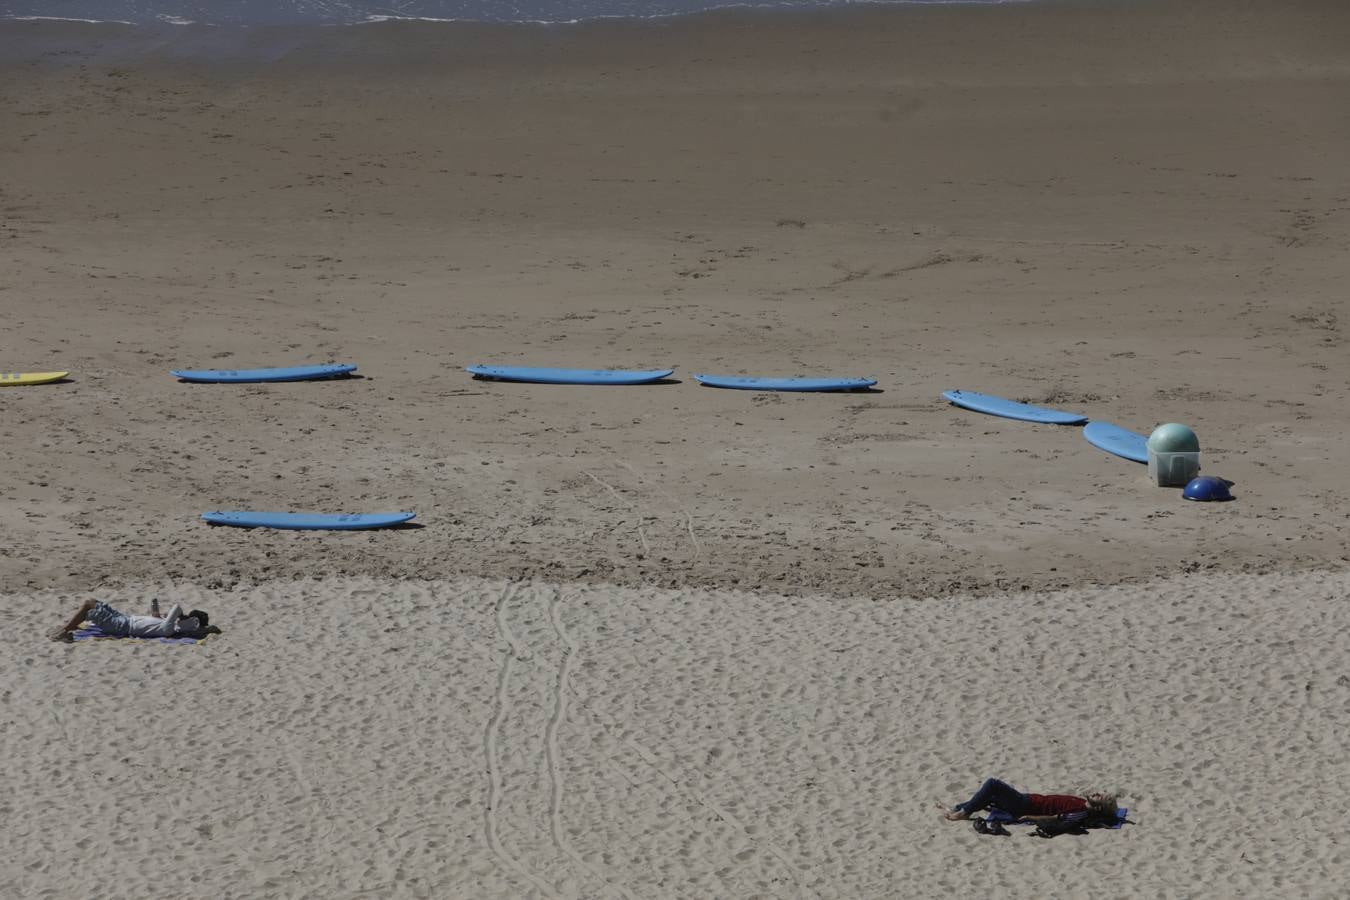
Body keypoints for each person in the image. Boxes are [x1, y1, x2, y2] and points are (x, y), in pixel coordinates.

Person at [938, 778, 1117, 826]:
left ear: (1099, 806)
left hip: (1026, 805)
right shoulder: (1081, 802)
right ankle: (957, 808)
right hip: (1029, 799)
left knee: (993, 784)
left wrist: (1028, 817)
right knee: (991, 795)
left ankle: (963, 813)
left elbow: (1056, 819)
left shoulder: (1080, 812)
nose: (1096, 792)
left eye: (1099, 796)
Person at [50, 597, 220, 642]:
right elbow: (154, 618)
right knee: (94, 601)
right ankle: (68, 627)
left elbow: (177, 607)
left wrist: (181, 616)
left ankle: (65, 631)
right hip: (123, 619)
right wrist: (157, 611)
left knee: (88, 605)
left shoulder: (168, 630)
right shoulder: (169, 627)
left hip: (121, 625)